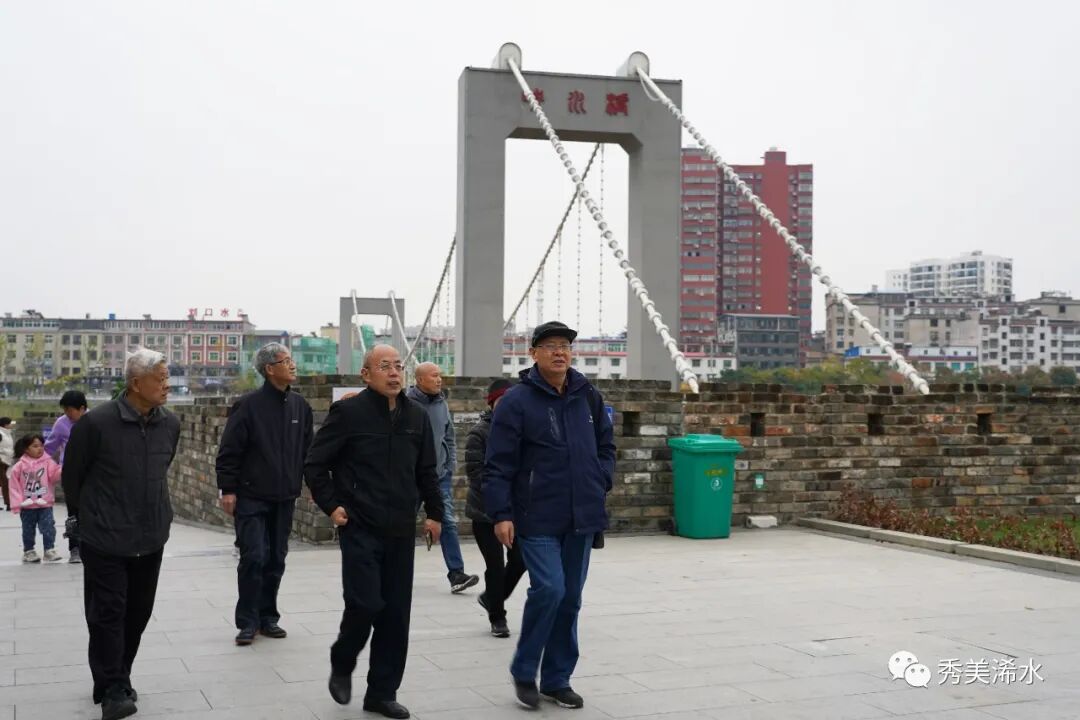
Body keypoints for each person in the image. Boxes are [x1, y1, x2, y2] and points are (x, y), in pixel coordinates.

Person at [305, 344, 444, 720]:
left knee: (396, 615)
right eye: (385, 366)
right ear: (366, 375)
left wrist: (435, 513)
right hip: (360, 526)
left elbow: (426, 471)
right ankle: (342, 659)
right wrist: (332, 505)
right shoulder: (349, 413)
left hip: (400, 528)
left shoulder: (416, 416)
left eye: (399, 366)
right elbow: (315, 463)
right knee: (365, 603)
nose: (395, 373)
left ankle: (382, 693)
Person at [484, 321, 615, 710]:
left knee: (570, 599)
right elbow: (498, 464)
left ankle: (557, 680)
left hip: (582, 514)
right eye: (551, 346)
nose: (560, 352)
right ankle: (525, 670)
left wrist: (601, 479)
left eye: (565, 346)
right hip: (536, 515)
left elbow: (606, 445)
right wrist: (501, 513)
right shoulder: (516, 401)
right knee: (550, 589)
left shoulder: (587, 395)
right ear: (534, 354)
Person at [63, 349, 180, 720]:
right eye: (160, 378)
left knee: (137, 614)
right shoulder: (96, 424)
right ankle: (113, 689)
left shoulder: (170, 423)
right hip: (105, 537)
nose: (167, 385)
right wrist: (85, 519)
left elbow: (162, 468)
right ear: (136, 383)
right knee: (108, 613)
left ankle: (117, 676)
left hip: (151, 535)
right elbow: (72, 476)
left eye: (167, 377)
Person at [216, 342, 313, 646]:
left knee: (276, 559)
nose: (293, 365)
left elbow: (308, 451)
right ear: (270, 369)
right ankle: (247, 622)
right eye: (286, 361)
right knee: (254, 557)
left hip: (285, 496)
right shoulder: (248, 406)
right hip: (251, 496)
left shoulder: (300, 407)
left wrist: (313, 485)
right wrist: (228, 489)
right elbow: (229, 451)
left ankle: (268, 617)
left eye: (291, 360)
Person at [406, 362, 479, 594]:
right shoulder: (405, 404)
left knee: (447, 521)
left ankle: (457, 574)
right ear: (419, 380)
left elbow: (448, 437)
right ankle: (395, 571)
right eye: (434, 376)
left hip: (439, 477)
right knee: (403, 524)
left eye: (440, 375)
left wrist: (449, 465)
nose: (439, 380)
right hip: (410, 478)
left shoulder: (441, 403)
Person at [465, 378, 525, 639]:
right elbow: (476, 473)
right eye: (502, 401)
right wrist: (500, 495)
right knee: (495, 564)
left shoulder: (525, 430)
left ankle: (492, 597)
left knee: (521, 559)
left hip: (517, 510)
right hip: (485, 512)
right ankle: (497, 617)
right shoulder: (479, 433)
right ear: (491, 404)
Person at [45, 390, 89, 563]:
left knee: (93, 510)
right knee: (73, 512)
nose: (67, 414)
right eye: (65, 410)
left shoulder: (95, 421)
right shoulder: (61, 423)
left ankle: (92, 546)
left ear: (82, 408)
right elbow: (49, 448)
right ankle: (74, 548)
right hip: (70, 473)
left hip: (92, 473)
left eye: (70, 410)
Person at [7, 432, 63, 563]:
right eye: (35, 446)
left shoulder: (48, 462)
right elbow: (14, 486)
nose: (40, 448)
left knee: (48, 527)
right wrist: (17, 503)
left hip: (45, 504)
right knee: (28, 529)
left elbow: (54, 477)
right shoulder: (19, 466)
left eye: (41, 445)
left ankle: (49, 550)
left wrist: (61, 469)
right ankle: (29, 551)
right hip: (27, 506)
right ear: (26, 449)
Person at [0, 417, 14, 511]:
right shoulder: (0, 434)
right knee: (5, 482)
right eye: (10, 423)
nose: (12, 425)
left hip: (6, 461)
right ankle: (9, 503)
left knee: (2, 482)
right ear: (5, 425)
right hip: (1, 461)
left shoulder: (8, 434)